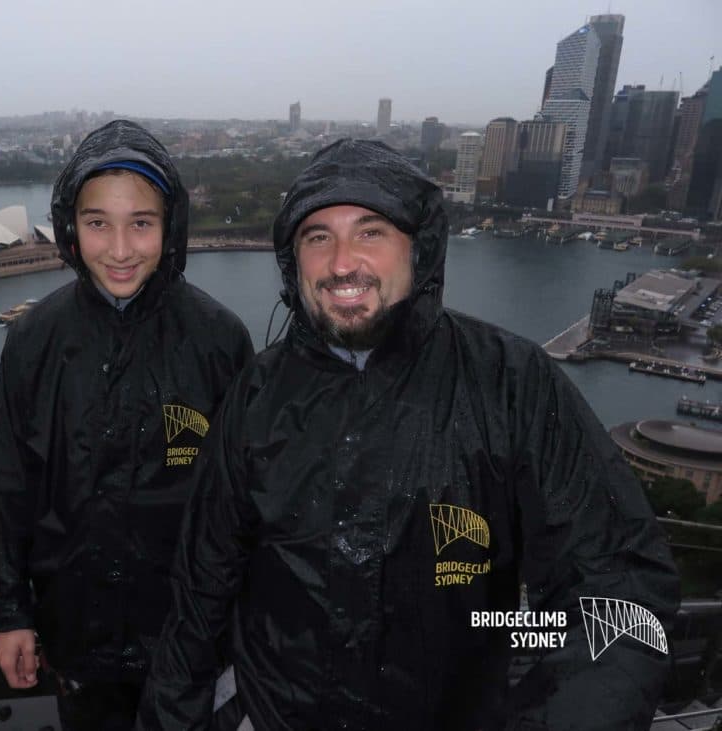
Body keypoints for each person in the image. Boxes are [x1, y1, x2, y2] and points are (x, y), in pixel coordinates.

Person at [138, 139, 680, 731]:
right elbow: (202, 588)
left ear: (418, 249)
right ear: (294, 263)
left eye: (371, 232)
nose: (342, 261)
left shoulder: (512, 385)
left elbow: (617, 591)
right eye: (317, 237)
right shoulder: (257, 396)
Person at [0, 119, 253, 730]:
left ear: (170, 227)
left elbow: (244, 503)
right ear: (71, 229)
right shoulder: (34, 340)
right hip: (76, 627)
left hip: (191, 636)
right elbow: (12, 484)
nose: (121, 248)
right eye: (97, 222)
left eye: (142, 222)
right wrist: (11, 613)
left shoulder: (219, 340)